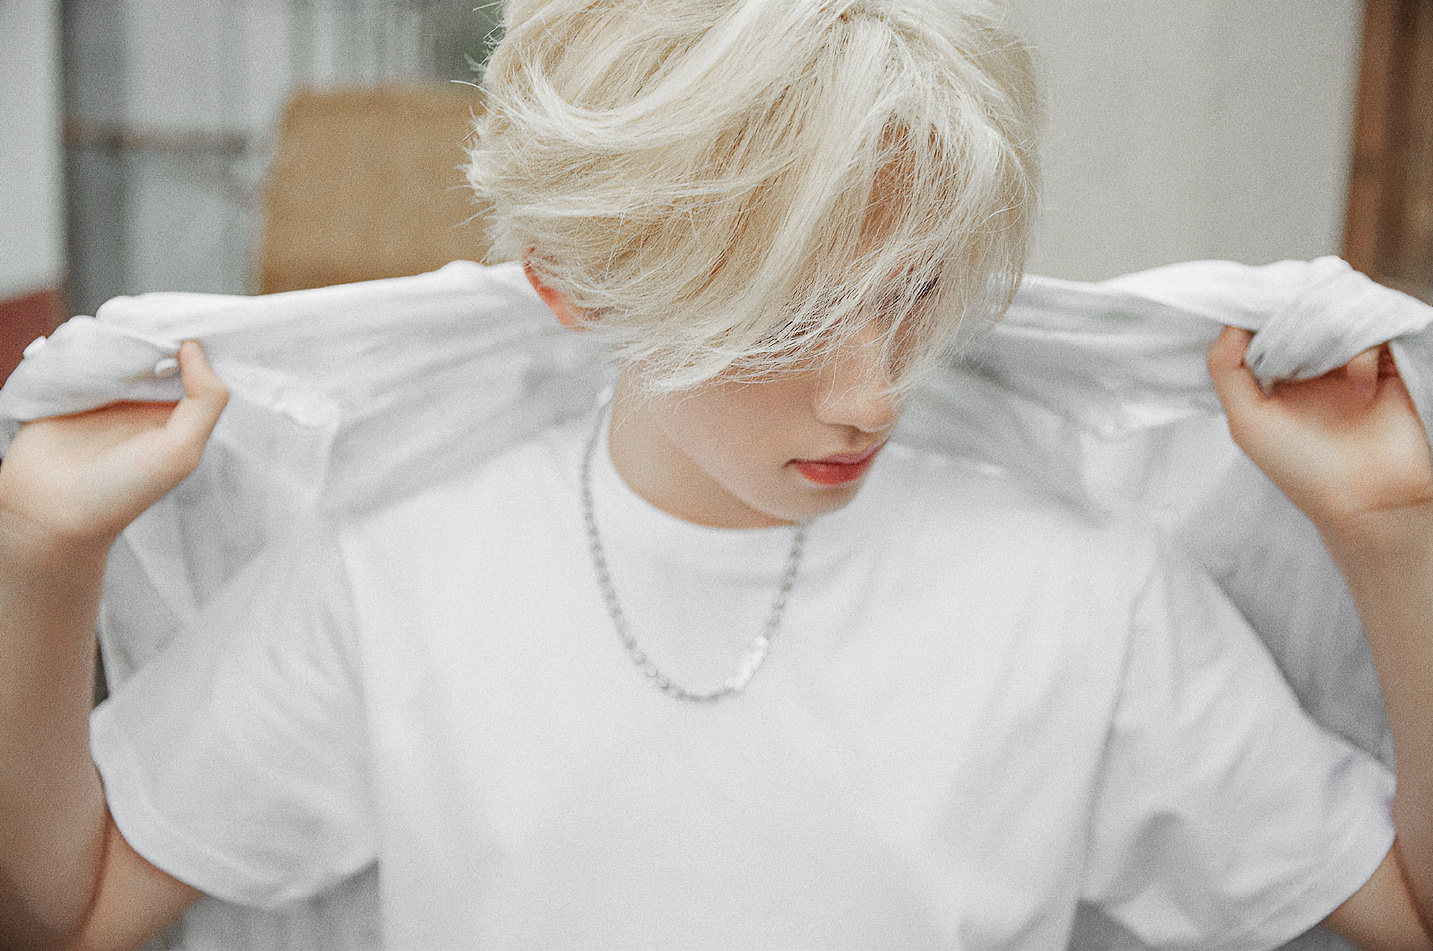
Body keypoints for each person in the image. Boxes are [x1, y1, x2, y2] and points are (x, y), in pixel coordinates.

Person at [2, 1, 1431, 948]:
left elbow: (1403, 911)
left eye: (914, 295)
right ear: (574, 287)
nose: (871, 394)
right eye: (786, 321)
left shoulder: (1081, 594)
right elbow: (68, 913)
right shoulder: (399, 577)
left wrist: (1389, 530)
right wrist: (40, 560)